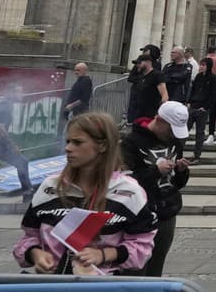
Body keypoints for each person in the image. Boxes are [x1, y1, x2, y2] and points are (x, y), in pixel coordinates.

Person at [16, 111, 157, 274]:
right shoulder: (50, 187)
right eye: (68, 141)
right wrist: (35, 254)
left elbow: (143, 247)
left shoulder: (129, 192)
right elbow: (28, 237)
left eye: (77, 142)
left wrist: (104, 254)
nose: (68, 148)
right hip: (51, 289)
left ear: (103, 145)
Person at [121, 100, 190, 277]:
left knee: (155, 270)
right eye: (169, 129)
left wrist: (181, 171)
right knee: (135, 271)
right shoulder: (131, 142)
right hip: (141, 215)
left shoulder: (174, 141)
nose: (171, 135)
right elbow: (125, 182)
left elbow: (176, 183)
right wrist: (155, 171)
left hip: (166, 213)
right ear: (159, 120)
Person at [187, 57, 216, 160]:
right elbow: (193, 90)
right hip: (193, 106)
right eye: (201, 65)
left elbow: (214, 94)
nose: (201, 67)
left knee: (199, 133)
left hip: (202, 108)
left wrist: (205, 107)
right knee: (185, 130)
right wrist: (189, 102)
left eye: (203, 65)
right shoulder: (198, 76)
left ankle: (197, 155)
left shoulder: (213, 78)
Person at [129, 51, 169, 122]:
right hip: (138, 114)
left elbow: (165, 96)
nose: (137, 65)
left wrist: (159, 114)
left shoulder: (157, 75)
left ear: (148, 62)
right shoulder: (140, 77)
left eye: (139, 63)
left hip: (150, 115)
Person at [58, 62, 93, 136]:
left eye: (78, 70)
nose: (76, 72)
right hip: (74, 111)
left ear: (84, 70)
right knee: (68, 133)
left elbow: (84, 99)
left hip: (79, 111)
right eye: (75, 70)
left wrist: (71, 105)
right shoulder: (80, 80)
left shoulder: (86, 81)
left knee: (70, 133)